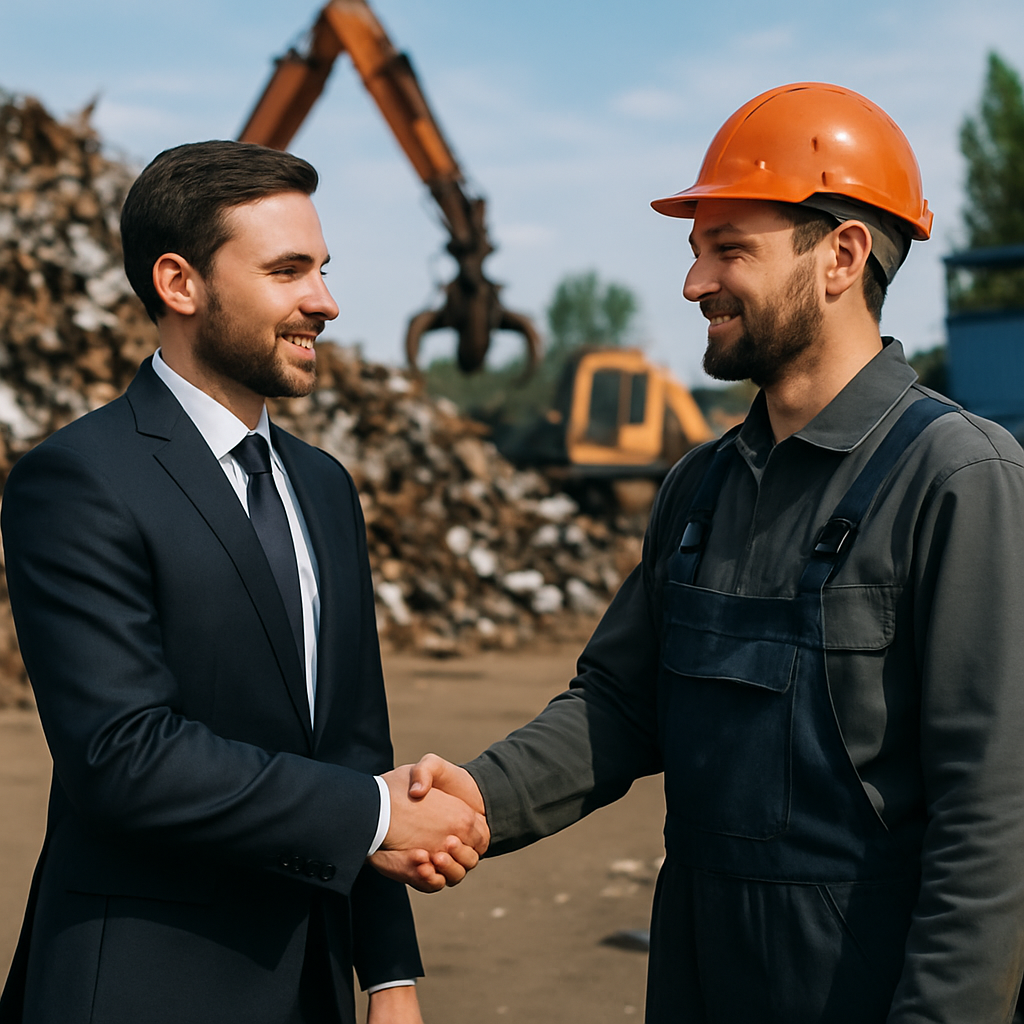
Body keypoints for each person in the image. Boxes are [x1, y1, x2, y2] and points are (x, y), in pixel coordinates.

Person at [405, 83, 1024, 1022]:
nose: (695, 284)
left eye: (730, 250)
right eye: (697, 253)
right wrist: (478, 796)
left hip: (859, 992)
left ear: (842, 257)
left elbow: (995, 822)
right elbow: (620, 703)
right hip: (701, 979)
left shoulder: (958, 480)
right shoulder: (702, 486)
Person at [0, 140, 486, 1024]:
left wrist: (389, 976)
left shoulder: (325, 486)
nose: (325, 303)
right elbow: (123, 755)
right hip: (145, 983)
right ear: (181, 285)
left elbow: (352, 743)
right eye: (289, 271)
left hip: (312, 982)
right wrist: (374, 821)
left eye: (323, 270)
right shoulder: (76, 479)